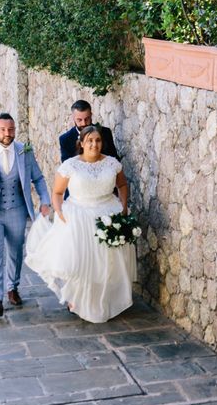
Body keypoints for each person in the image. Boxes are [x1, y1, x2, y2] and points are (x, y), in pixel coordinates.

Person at [25, 125, 135, 323]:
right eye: (90, 140)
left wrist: (123, 206)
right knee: (81, 261)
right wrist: (59, 212)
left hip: (107, 214)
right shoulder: (70, 166)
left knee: (106, 262)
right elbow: (57, 193)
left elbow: (122, 185)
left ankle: (104, 300)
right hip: (78, 216)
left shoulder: (112, 164)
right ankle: (77, 299)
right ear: (82, 143)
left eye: (98, 140)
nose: (94, 144)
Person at [0, 113, 50, 317]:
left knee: (15, 251)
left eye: (11, 129)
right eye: (3, 129)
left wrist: (45, 201)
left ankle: (12, 288)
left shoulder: (24, 151)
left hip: (17, 210)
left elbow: (38, 178)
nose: (7, 133)